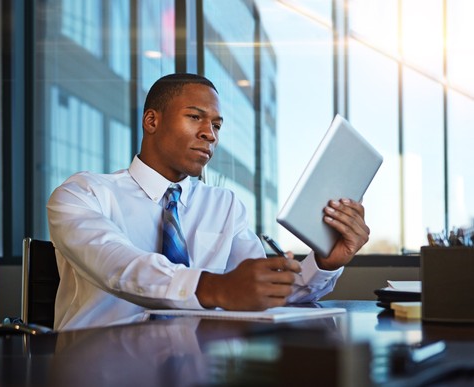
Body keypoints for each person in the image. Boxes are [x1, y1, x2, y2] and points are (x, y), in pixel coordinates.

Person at [47, 73, 370, 330]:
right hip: (96, 366)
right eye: (195, 117)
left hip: (199, 363)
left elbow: (264, 290)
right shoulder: (82, 194)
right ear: (151, 121)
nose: (210, 134)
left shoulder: (225, 205)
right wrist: (216, 287)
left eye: (216, 125)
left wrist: (326, 260)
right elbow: (120, 266)